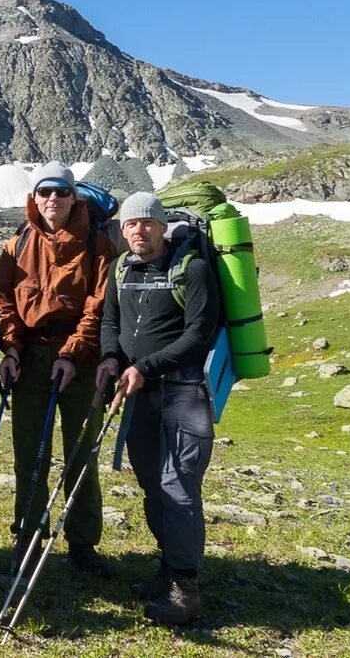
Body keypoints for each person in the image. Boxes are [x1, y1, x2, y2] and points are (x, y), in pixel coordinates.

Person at [97, 192, 220, 625]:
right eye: (131, 225)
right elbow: (110, 322)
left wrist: (144, 367)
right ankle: (168, 570)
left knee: (179, 488)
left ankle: (186, 591)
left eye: (148, 223)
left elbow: (198, 337)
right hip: (140, 396)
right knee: (153, 485)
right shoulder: (120, 269)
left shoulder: (193, 270)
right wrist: (111, 358)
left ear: (162, 226)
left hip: (183, 394)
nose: (139, 231)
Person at [0, 162, 116, 577]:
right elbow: (4, 301)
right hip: (29, 359)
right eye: (45, 192)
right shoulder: (17, 244)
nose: (52, 200)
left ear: (74, 198)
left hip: (80, 360)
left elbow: (99, 306)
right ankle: (28, 538)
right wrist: (10, 348)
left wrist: (72, 352)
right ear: (34, 197)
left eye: (61, 193)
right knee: (29, 456)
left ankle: (82, 545)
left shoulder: (97, 244)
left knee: (80, 453)